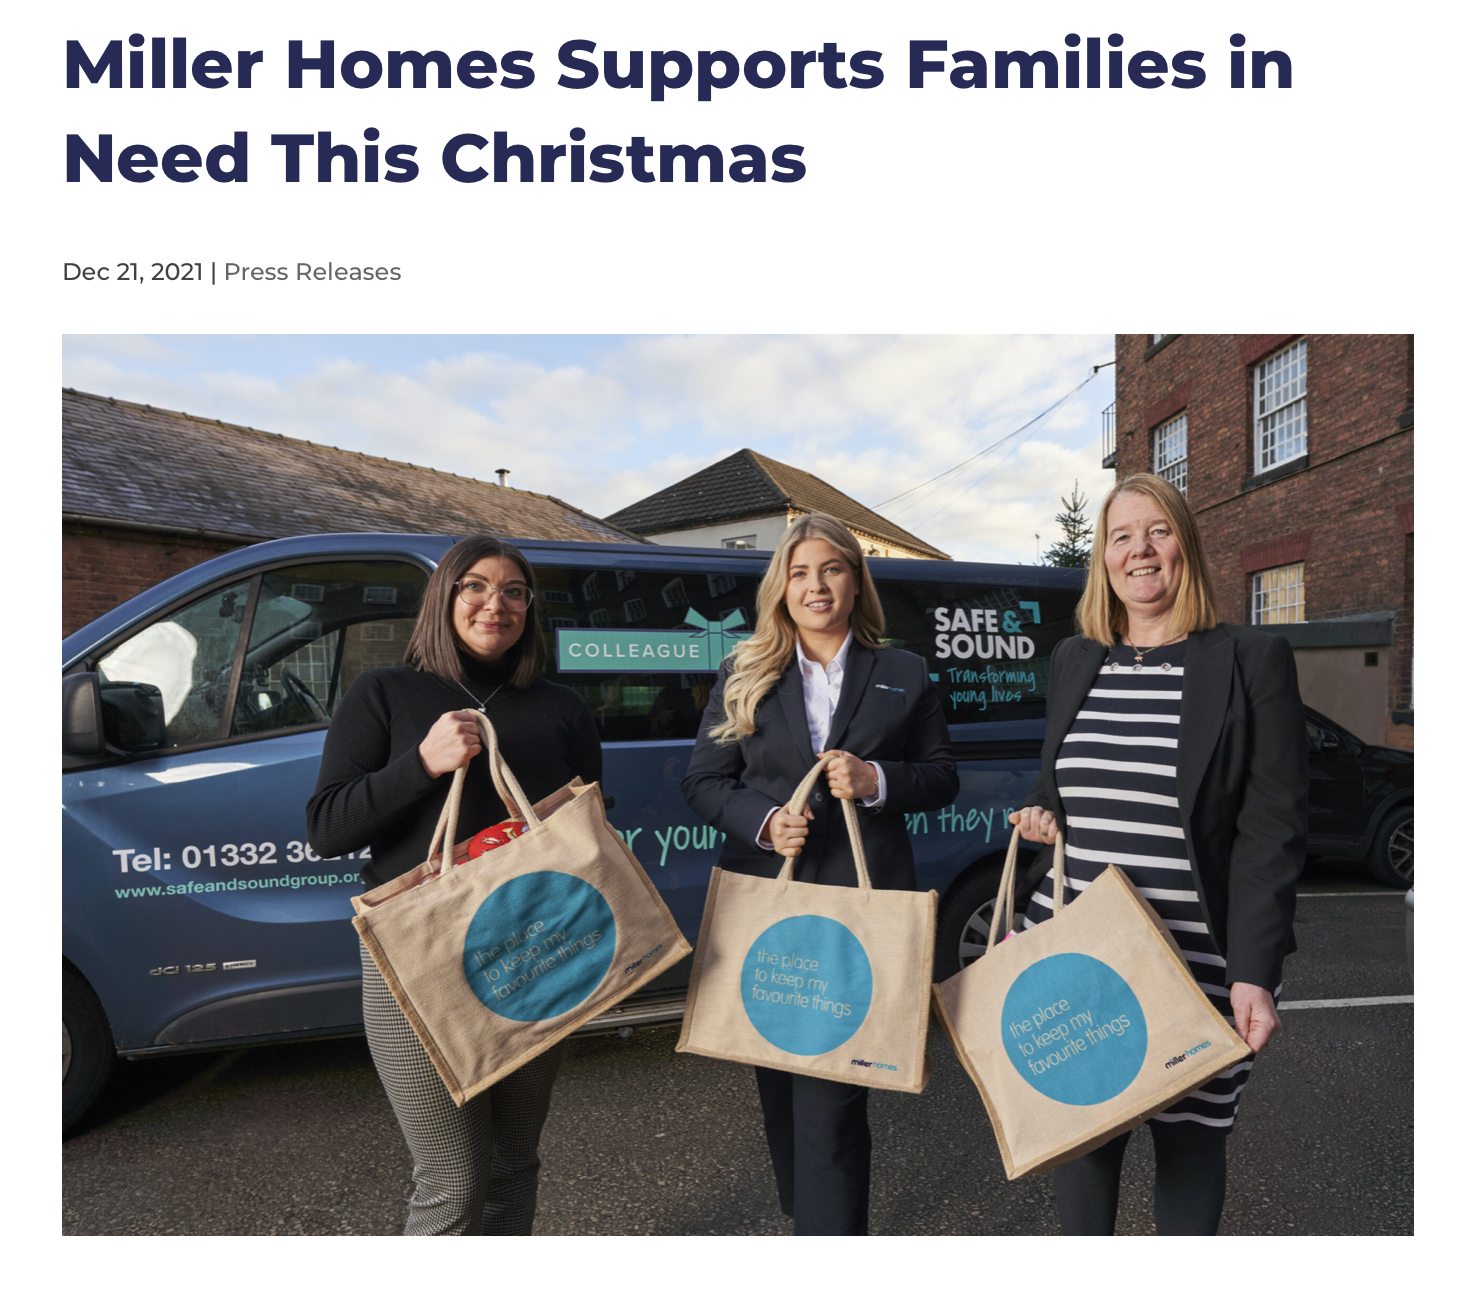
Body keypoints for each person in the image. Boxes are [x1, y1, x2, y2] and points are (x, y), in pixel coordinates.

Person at [1008, 473, 1307, 1236]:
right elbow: (1059, 785)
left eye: (1157, 531)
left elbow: (1271, 830)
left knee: (1190, 1158)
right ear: (1103, 560)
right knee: (1082, 1157)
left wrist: (1254, 974)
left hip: (1197, 965)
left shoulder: (1251, 658)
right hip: (1081, 958)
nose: (1140, 550)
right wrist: (1044, 815)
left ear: (1186, 546)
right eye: (1121, 536)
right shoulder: (1077, 659)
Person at [307, 535, 600, 1236]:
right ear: (444, 597)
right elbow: (327, 828)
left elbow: (587, 829)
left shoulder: (560, 707)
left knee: (512, 1166)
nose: (493, 604)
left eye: (512, 591)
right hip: (417, 952)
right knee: (452, 1182)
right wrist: (424, 763)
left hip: (533, 950)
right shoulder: (385, 692)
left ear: (530, 608)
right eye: (474, 586)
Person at [682, 513, 958, 1235]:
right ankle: (811, 1223)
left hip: (858, 917)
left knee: (833, 1096)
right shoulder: (745, 670)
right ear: (782, 586)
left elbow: (941, 778)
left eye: (832, 568)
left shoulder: (903, 672)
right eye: (800, 572)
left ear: (855, 580)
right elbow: (705, 783)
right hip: (767, 910)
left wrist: (876, 779)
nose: (816, 585)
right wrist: (767, 822)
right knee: (778, 1086)